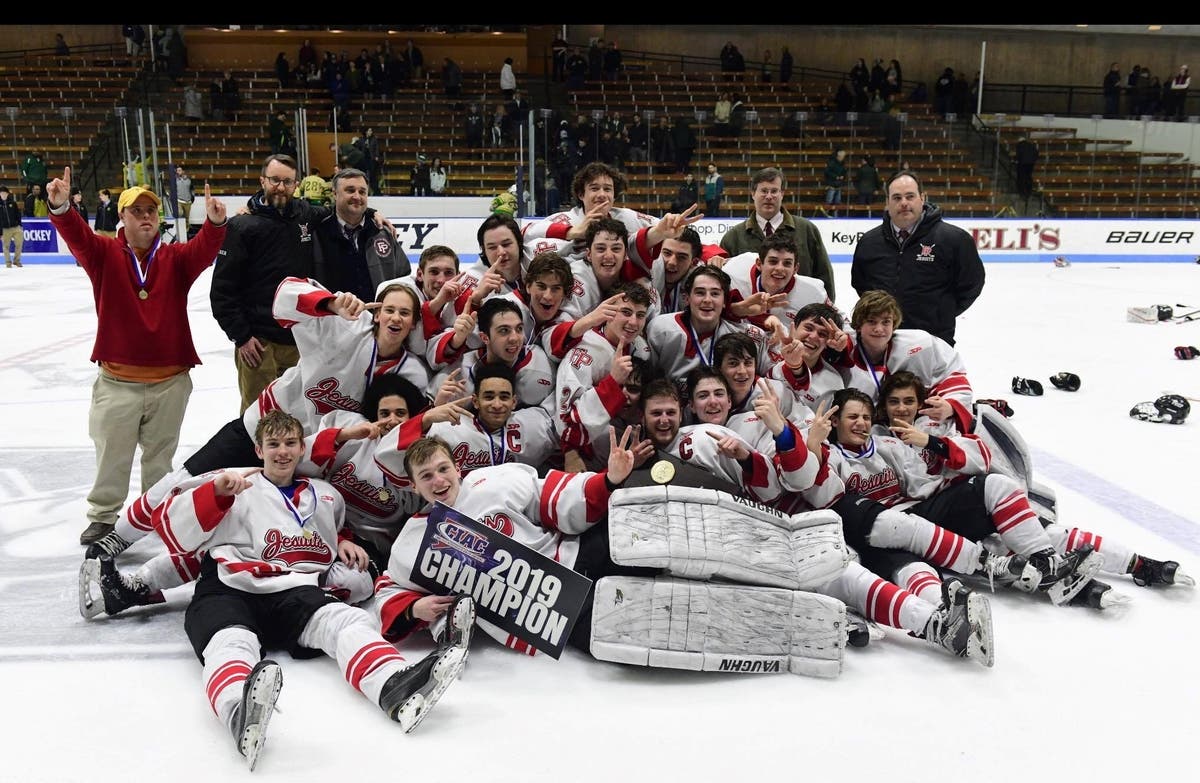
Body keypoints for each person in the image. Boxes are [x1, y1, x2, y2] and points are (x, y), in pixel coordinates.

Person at [153, 410, 471, 768]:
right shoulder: (233, 481)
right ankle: (238, 711)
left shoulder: (326, 495)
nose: (283, 452)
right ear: (258, 450)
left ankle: (392, 684)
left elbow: (322, 533)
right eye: (273, 445)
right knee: (230, 644)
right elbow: (173, 530)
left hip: (292, 592)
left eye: (290, 443)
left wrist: (344, 539)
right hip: (229, 588)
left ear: (301, 448)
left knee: (346, 621)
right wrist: (216, 494)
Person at [46, 166, 227, 545]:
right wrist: (61, 208)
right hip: (118, 383)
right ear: (122, 217)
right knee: (113, 456)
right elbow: (77, 236)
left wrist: (213, 225)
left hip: (170, 383)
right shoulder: (103, 254)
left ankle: (155, 514)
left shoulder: (175, 259)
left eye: (151, 211)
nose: (146, 217)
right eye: (137, 211)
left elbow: (204, 250)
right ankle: (103, 517)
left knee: (160, 460)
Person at [210, 154, 332, 413]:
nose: (281, 187)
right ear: (262, 180)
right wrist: (241, 336)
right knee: (257, 419)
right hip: (258, 343)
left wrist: (372, 213)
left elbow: (340, 213)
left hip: (298, 341)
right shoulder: (243, 226)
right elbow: (222, 290)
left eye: (287, 182)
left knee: (298, 414)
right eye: (275, 180)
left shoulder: (305, 214)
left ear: (296, 184)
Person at [850, 170, 985, 346]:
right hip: (881, 341)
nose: (904, 203)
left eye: (910, 196)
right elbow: (862, 285)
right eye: (897, 198)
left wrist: (941, 312)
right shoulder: (869, 242)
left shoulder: (954, 239)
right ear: (887, 202)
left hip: (934, 341)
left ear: (922, 198)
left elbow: (971, 285)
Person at [719, 167, 836, 301]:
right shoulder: (733, 237)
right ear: (753, 194)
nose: (769, 196)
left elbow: (824, 275)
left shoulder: (807, 230)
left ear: (782, 194)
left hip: (800, 316)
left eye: (774, 191)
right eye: (763, 191)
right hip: (748, 318)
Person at [311, 167, 409, 304]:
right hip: (333, 321)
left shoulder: (382, 232)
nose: (357, 197)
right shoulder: (318, 233)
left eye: (362, 192)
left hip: (377, 320)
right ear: (334, 193)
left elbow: (403, 276)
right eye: (350, 190)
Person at [0, 185, 22, 268]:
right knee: (5, 247)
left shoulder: (13, 203)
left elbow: (18, 214)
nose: (3, 195)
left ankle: (16, 261)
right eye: (1, 193)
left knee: (19, 244)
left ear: (7, 194)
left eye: (4, 193)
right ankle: (8, 263)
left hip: (16, 227)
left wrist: (20, 224)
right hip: (5, 229)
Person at [822, 149, 848, 216]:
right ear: (838, 156)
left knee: (837, 202)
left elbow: (845, 172)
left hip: (838, 184)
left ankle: (836, 215)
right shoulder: (832, 163)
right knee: (829, 201)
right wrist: (836, 176)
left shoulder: (843, 164)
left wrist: (843, 176)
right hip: (832, 184)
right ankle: (826, 214)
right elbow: (827, 172)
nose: (843, 158)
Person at [1014, 136, 1038, 200]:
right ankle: (1029, 191)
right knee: (1028, 176)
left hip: (1022, 163)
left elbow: (1018, 155)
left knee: (1021, 177)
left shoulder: (1019, 145)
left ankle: (1022, 192)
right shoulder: (1031, 145)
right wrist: (1033, 161)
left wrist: (1016, 160)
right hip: (1030, 164)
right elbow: (1036, 153)